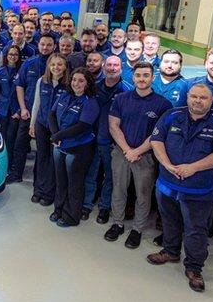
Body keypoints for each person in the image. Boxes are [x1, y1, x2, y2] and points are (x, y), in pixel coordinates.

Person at [148, 83, 213, 292]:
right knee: (169, 219)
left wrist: (193, 168)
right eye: (194, 96)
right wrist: (167, 165)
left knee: (196, 228)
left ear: (211, 100)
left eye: (203, 98)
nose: (197, 101)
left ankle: (194, 267)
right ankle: (170, 250)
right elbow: (157, 140)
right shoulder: (171, 115)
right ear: (187, 98)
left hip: (198, 188)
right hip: (167, 183)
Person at [103, 62, 172, 248]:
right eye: (138, 75)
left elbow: (158, 133)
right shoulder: (121, 99)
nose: (141, 79)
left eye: (145, 75)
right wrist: (127, 150)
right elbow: (113, 126)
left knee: (143, 193)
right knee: (119, 188)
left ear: (152, 77)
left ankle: (137, 229)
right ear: (133, 77)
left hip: (146, 155)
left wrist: (138, 151)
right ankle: (117, 223)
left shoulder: (163, 104)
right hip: (121, 152)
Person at [49, 67, 99, 227]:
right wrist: (55, 133)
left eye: (81, 81)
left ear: (87, 83)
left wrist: (58, 136)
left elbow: (82, 126)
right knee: (60, 179)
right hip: (59, 145)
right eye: (74, 79)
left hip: (78, 148)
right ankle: (59, 209)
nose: (76, 83)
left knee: (74, 183)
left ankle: (71, 215)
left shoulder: (90, 102)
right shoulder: (65, 95)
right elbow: (52, 114)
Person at [84, 56, 129, 223]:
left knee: (110, 177)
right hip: (92, 139)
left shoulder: (126, 91)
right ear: (103, 67)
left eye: (115, 65)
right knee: (91, 172)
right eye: (109, 65)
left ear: (121, 68)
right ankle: (87, 204)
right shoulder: (94, 88)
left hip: (112, 143)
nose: (112, 68)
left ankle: (104, 207)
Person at [8, 34, 56, 183]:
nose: (45, 47)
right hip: (27, 112)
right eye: (42, 44)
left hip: (48, 116)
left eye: (49, 45)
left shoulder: (58, 65)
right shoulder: (29, 63)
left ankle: (40, 180)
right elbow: (20, 86)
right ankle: (16, 174)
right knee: (20, 144)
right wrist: (22, 108)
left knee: (44, 150)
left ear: (54, 46)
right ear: (38, 45)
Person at [28, 54, 68, 206]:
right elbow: (36, 104)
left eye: (59, 64)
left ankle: (49, 193)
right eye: (53, 65)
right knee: (41, 157)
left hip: (57, 129)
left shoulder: (68, 85)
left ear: (65, 67)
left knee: (53, 160)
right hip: (42, 125)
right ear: (48, 66)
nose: (56, 67)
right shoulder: (42, 81)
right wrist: (32, 124)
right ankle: (38, 190)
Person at [0, 46, 22, 167]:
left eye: (15, 54)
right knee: (1, 138)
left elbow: (25, 92)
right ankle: (1, 164)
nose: (12, 56)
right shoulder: (0, 70)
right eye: (10, 54)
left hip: (15, 110)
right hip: (2, 109)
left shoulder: (22, 70)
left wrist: (19, 110)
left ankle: (9, 165)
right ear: (6, 56)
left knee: (11, 139)